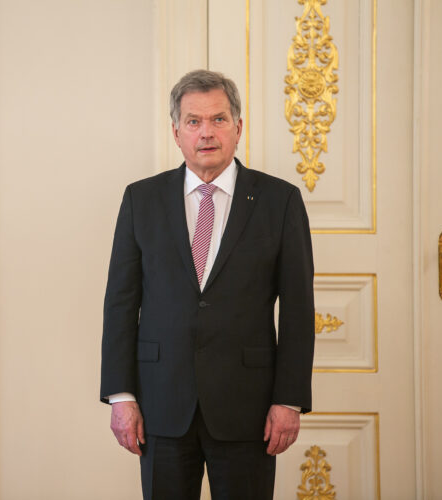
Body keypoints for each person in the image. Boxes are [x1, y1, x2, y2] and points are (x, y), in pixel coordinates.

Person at [100, 70, 315, 499]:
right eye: (194, 122)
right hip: (160, 403)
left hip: (248, 407)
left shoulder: (280, 200)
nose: (206, 133)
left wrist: (289, 401)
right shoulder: (141, 199)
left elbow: (297, 309)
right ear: (176, 132)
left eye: (218, 120)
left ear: (238, 128)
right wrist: (121, 396)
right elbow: (121, 304)